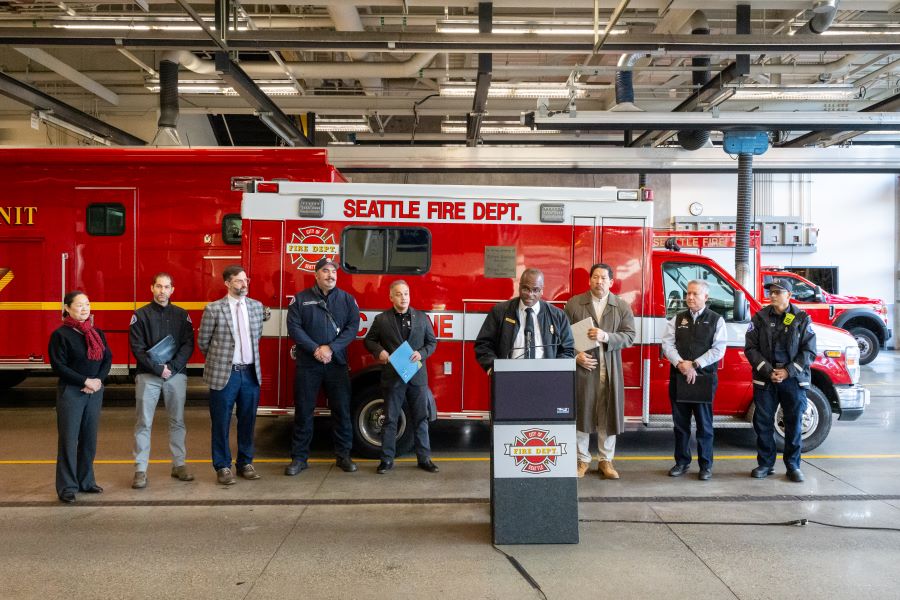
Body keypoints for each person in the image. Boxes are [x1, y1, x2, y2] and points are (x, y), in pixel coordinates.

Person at [285, 257, 361, 476]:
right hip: (308, 364)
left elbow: (352, 328)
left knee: (341, 412)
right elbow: (294, 328)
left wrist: (331, 348)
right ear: (316, 275)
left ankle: (343, 456)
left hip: (336, 364)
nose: (331, 275)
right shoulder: (300, 300)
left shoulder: (347, 300)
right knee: (304, 412)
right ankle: (299, 459)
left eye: (333, 272)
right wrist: (315, 349)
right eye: (326, 271)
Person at [564, 263, 635, 480]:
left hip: (610, 371)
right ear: (589, 280)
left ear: (611, 282)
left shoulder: (621, 306)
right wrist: (576, 356)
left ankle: (606, 460)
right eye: (595, 277)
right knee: (582, 415)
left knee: (607, 415)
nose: (599, 281)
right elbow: (562, 337)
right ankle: (582, 459)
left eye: (604, 278)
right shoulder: (575, 304)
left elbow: (630, 336)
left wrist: (606, 336)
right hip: (584, 371)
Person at [197, 265, 265, 485]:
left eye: (246, 280)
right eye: (238, 281)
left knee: (248, 420)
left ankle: (245, 463)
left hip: (250, 373)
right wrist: (223, 361)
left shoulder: (256, 307)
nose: (244, 284)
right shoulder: (214, 309)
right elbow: (203, 342)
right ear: (227, 283)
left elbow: (257, 338)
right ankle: (222, 466)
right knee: (221, 421)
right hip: (225, 374)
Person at [745, 277, 816, 482]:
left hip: (792, 380)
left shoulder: (802, 319)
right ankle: (765, 464)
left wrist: (788, 371)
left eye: (778, 292)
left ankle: (793, 466)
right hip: (766, 379)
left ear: (789, 295)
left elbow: (809, 351)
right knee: (763, 422)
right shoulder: (759, 318)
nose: (773, 295)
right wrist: (769, 371)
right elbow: (750, 349)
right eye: (771, 292)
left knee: (793, 423)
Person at [364, 280, 439, 474]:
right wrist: (379, 352)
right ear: (391, 297)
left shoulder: (422, 318)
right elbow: (369, 341)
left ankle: (424, 459)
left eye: (406, 293)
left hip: (417, 377)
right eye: (398, 294)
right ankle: (387, 460)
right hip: (393, 376)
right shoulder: (382, 320)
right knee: (390, 419)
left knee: (421, 418)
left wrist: (421, 353)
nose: (403, 297)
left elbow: (432, 342)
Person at [128, 272, 195, 489]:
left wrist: (172, 368)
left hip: (175, 375)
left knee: (177, 421)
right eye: (158, 286)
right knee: (144, 422)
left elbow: (188, 345)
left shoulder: (182, 316)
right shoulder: (140, 315)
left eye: (167, 287)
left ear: (172, 290)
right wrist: (158, 369)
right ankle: (140, 470)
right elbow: (137, 348)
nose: (162, 291)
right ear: (151, 288)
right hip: (148, 375)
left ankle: (179, 465)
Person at [48, 291, 112, 503]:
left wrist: (97, 382)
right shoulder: (61, 335)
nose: (85, 308)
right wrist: (85, 381)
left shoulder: (96, 333)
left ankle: (86, 481)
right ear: (67, 308)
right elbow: (59, 366)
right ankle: (67, 486)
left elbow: (106, 360)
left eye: (87, 304)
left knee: (88, 440)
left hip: (94, 392)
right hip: (72, 392)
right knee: (68, 440)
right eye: (79, 305)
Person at [660, 280, 727, 481]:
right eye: (688, 293)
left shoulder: (716, 320)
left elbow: (718, 349)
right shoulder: (677, 319)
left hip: (703, 379)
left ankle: (706, 466)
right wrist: (681, 363)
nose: (690, 297)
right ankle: (682, 462)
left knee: (704, 426)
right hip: (679, 378)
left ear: (705, 297)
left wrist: (695, 364)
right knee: (680, 425)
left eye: (695, 294)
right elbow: (667, 344)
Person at [474, 268, 575, 373]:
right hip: (508, 376)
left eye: (535, 290)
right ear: (519, 286)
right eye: (525, 289)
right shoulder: (500, 311)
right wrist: (492, 368)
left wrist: (557, 373)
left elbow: (567, 350)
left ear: (542, 290)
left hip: (546, 377)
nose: (530, 294)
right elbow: (483, 344)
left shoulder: (557, 316)